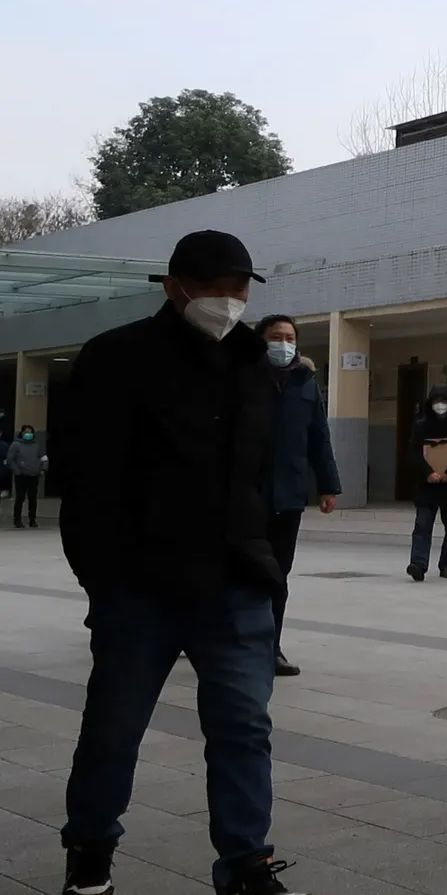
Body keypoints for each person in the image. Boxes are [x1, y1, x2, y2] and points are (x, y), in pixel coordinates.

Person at [57, 230, 301, 895]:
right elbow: (83, 479)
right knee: (114, 726)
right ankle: (90, 850)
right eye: (214, 288)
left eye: (239, 288)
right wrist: (103, 578)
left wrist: (263, 554)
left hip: (236, 581)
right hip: (141, 584)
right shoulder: (115, 357)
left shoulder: (255, 363)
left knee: (244, 726)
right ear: (174, 287)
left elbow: (258, 471)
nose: (229, 301)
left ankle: (247, 863)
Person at [256, 316, 342, 677]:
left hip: (288, 495)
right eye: (275, 337)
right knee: (241, 573)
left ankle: (271, 648)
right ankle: (227, 643)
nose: (283, 343)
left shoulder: (306, 382)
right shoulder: (244, 377)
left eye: (289, 337)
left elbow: (319, 436)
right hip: (247, 494)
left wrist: (328, 485)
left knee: (278, 575)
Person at [406, 385, 447, 581]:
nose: (440, 405)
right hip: (427, 485)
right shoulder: (420, 426)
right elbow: (413, 453)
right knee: (422, 525)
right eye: (436, 401)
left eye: (444, 401)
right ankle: (418, 564)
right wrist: (428, 473)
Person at [7, 424, 46, 529]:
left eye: (30, 432)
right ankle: (17, 520)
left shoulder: (36, 445)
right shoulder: (16, 445)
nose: (28, 434)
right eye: (26, 432)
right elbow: (10, 459)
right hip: (21, 476)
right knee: (20, 498)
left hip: (33, 476)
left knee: (33, 499)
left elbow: (44, 458)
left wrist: (43, 469)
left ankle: (32, 520)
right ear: (22, 433)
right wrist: (17, 471)